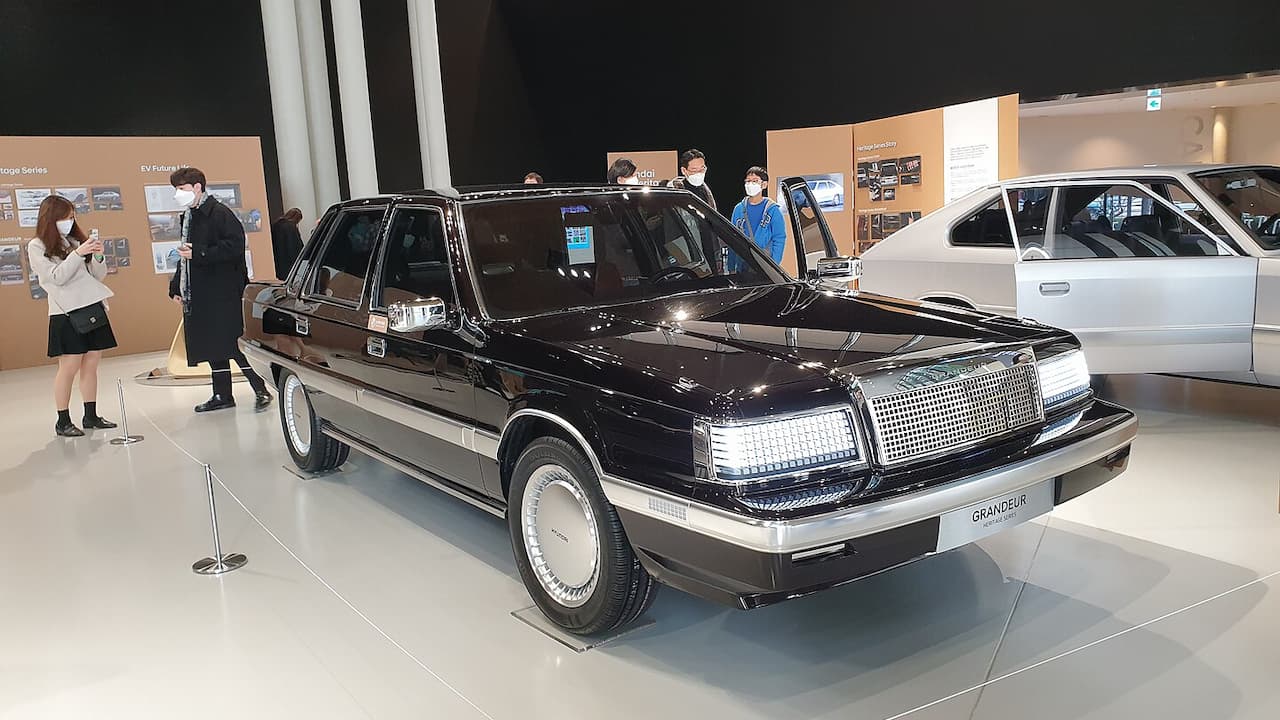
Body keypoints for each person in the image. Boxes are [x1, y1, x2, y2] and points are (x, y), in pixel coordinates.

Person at [167, 167, 272, 413]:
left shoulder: (220, 213)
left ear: (197, 187)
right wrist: (176, 287)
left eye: (181, 189)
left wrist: (200, 253)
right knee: (213, 344)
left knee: (232, 342)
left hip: (223, 291)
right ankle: (222, 394)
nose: (177, 195)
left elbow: (234, 247)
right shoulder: (188, 216)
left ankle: (261, 389)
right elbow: (185, 257)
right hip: (201, 292)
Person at [27, 195, 118, 437]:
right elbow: (56, 277)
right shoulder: (37, 246)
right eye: (65, 217)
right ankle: (63, 420)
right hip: (65, 313)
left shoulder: (75, 241)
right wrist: (77, 255)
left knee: (91, 364)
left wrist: (97, 255)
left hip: (91, 307)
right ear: (51, 219)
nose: (70, 221)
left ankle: (91, 416)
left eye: (72, 217)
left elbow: (97, 275)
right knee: (69, 367)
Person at [729, 166, 786, 270]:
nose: (750, 184)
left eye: (755, 181)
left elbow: (779, 238)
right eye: (748, 181)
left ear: (764, 184)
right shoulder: (739, 209)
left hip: (765, 264)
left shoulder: (773, 210)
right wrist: (731, 266)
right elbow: (732, 237)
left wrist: (774, 265)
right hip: (742, 264)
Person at [667, 149, 717, 213]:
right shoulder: (675, 192)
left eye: (702, 169)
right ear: (684, 170)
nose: (699, 173)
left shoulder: (705, 191)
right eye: (694, 170)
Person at [270, 207, 304, 281]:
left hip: (277, 262)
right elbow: (295, 247)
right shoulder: (291, 227)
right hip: (289, 264)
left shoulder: (275, 225)